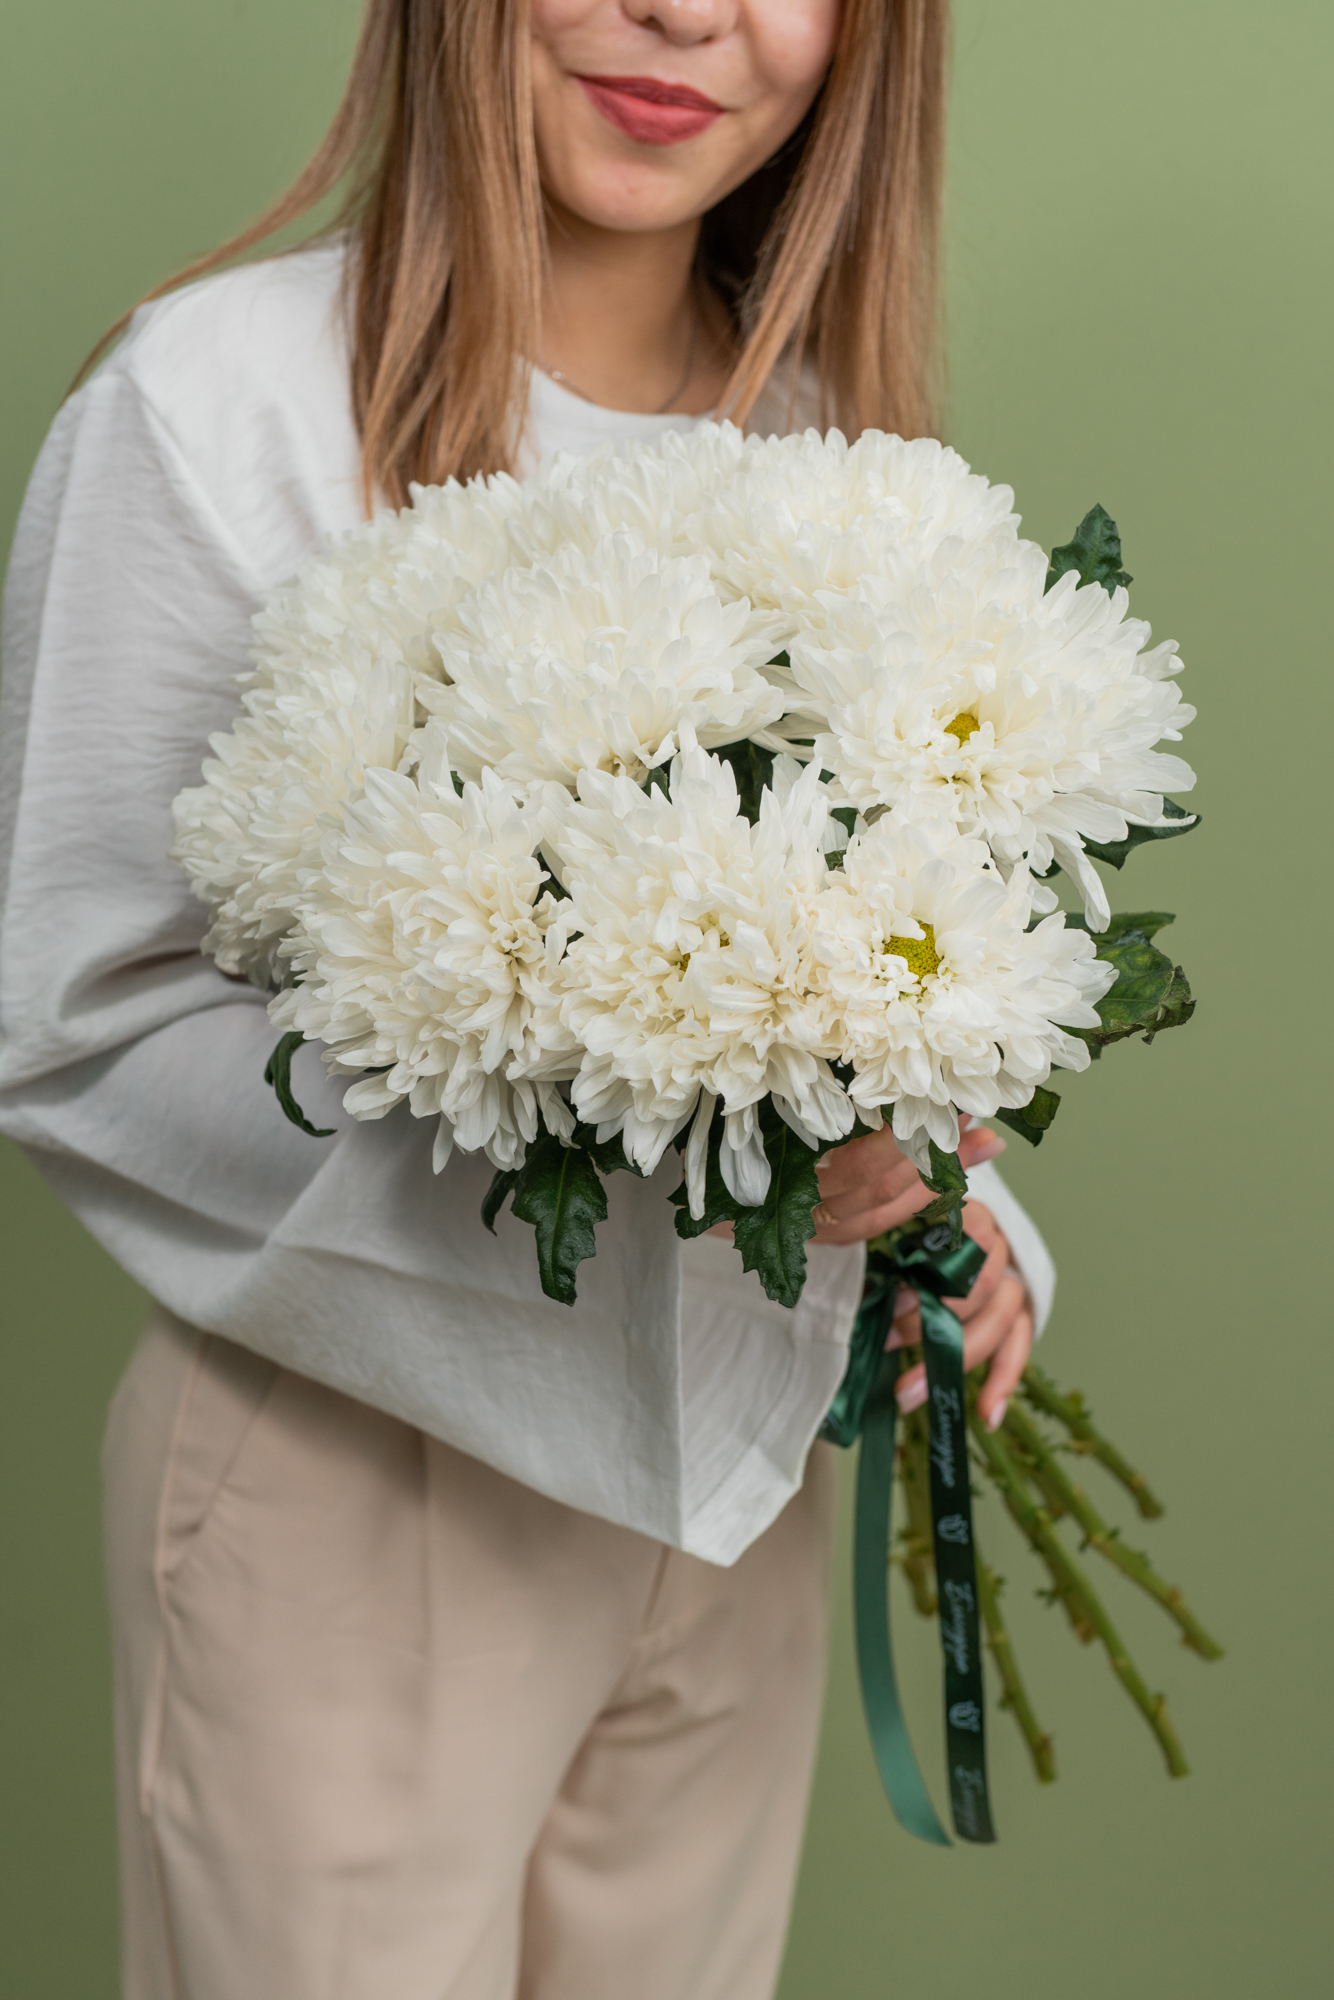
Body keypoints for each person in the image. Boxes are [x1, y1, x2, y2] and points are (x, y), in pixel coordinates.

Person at [0, 2, 1051, 1995]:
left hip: (729, 1480)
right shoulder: (216, 403)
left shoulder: (830, 440)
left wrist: (942, 1203)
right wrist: (605, 1120)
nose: (688, 15)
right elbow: (81, 1025)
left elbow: (888, 952)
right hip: (360, 1466)